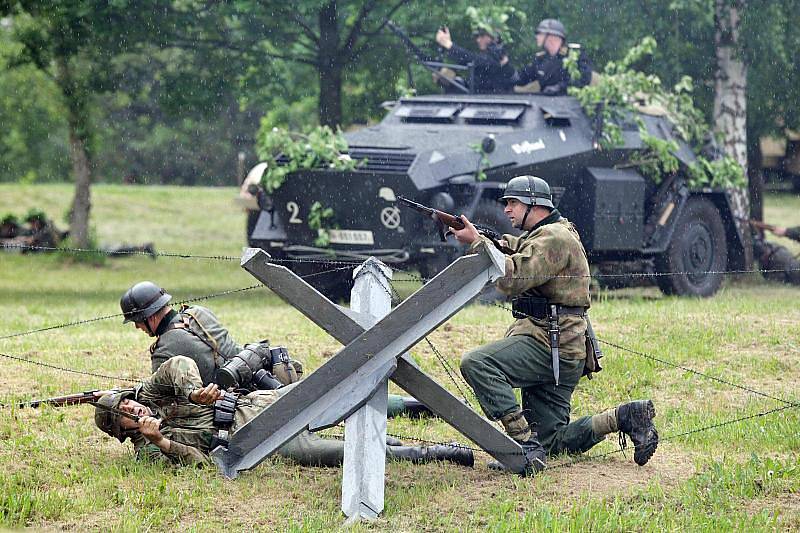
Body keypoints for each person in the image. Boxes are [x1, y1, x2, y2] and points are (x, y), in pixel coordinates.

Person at [450, 175, 658, 475]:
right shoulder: (552, 232)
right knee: (555, 443)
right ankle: (624, 416)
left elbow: (512, 278)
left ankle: (523, 444)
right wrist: (481, 237)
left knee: (477, 363)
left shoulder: (555, 238)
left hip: (549, 346)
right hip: (563, 349)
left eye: (513, 203)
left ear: (534, 205)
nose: (507, 210)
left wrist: (478, 243)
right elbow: (518, 247)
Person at [93, 355, 473, 468]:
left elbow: (177, 362)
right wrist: (162, 441)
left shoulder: (153, 392)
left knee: (335, 389)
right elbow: (202, 465)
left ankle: (419, 407)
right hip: (258, 443)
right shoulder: (148, 451)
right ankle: (438, 454)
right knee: (344, 454)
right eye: (124, 411)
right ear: (121, 429)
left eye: (127, 400)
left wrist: (194, 395)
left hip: (256, 405)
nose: (133, 406)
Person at [119, 281, 431, 418]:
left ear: (149, 317)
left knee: (323, 408)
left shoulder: (165, 350)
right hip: (264, 372)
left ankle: (411, 408)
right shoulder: (196, 312)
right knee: (331, 397)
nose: (136, 327)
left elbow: (164, 394)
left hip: (245, 399)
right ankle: (418, 406)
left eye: (136, 321)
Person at [510, 18, 592, 96]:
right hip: (547, 105)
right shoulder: (540, 59)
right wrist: (504, 65)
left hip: (569, 104)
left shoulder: (574, 55)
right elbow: (520, 79)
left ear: (552, 37)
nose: (537, 37)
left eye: (540, 33)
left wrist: (560, 87)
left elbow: (584, 79)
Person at [434, 25, 514, 94]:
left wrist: (449, 45)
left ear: (494, 38)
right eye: (478, 36)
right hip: (480, 101)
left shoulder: (499, 56)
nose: (478, 40)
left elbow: (476, 60)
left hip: (493, 104)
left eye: (482, 36)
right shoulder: (486, 55)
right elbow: (465, 61)